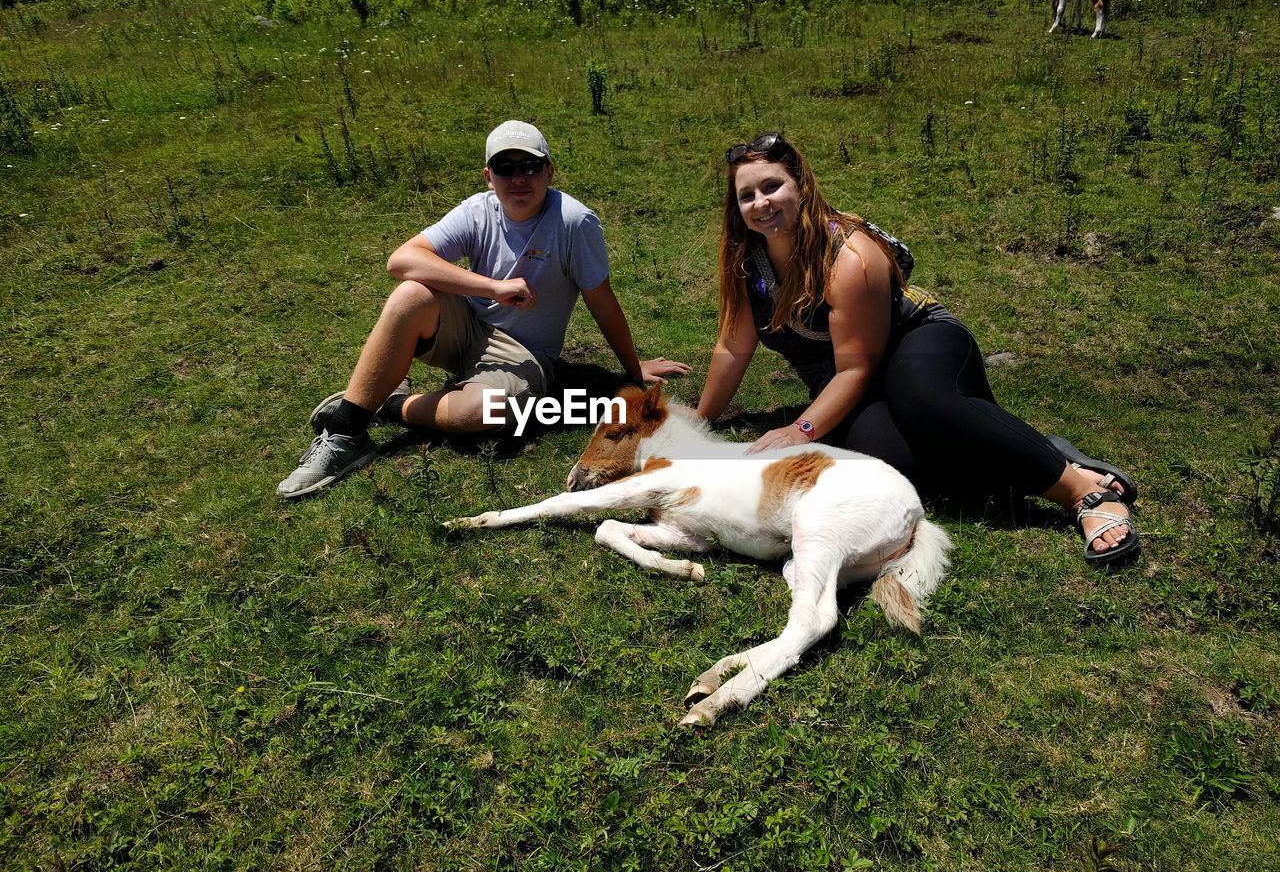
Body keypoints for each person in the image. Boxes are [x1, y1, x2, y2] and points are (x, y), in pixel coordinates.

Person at [696, 133, 1139, 564]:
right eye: (747, 195)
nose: (762, 203)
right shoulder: (744, 261)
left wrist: (802, 429)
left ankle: (1082, 492)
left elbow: (856, 368)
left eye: (772, 186)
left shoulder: (850, 257)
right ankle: (1039, 450)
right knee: (892, 461)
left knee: (926, 402)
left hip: (916, 340)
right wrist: (697, 424)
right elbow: (733, 348)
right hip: (848, 376)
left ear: (801, 186)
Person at [278, 120, 689, 499]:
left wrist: (633, 367)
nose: (518, 178)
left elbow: (602, 300)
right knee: (410, 295)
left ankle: (389, 403)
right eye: (505, 168)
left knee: (481, 412)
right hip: (470, 328)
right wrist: (491, 287)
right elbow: (401, 260)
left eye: (529, 166)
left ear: (550, 171)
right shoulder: (478, 209)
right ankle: (346, 432)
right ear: (489, 177)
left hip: (524, 356)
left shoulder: (574, 222)